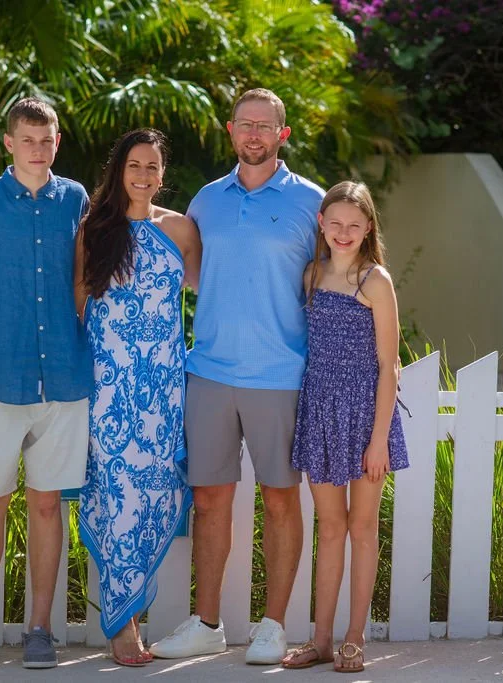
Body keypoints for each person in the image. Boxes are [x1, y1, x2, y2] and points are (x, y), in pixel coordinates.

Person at [149, 88, 324, 665]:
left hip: (281, 374)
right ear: (230, 131)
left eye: (264, 126)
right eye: (244, 124)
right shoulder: (205, 201)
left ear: (283, 134)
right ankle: (206, 624)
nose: (253, 134)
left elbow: (340, 276)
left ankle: (273, 626)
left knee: (280, 499)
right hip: (211, 371)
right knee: (209, 501)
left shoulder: (312, 203)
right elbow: (189, 274)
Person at [0, 96, 92, 669]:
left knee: (48, 506)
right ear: (9, 142)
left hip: (63, 375)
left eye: (47, 139)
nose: (37, 149)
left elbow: (84, 277)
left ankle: (38, 629)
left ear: (58, 142)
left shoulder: (76, 199)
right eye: (27, 139)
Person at [75, 128, 201, 667]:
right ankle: (122, 622)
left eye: (152, 167)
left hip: (164, 388)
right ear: (118, 170)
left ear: (162, 174)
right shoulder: (94, 228)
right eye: (134, 165)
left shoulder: (182, 230)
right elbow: (78, 307)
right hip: (109, 386)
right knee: (113, 495)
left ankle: (130, 612)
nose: (144, 176)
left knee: (151, 493)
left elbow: (204, 295)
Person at [280, 181, 409, 674]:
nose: (343, 232)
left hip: (365, 417)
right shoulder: (312, 276)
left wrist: (378, 440)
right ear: (321, 223)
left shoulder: (374, 280)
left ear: (368, 227)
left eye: (354, 225)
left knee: (361, 527)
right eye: (334, 223)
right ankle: (321, 639)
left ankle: (356, 636)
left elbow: (388, 364)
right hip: (321, 411)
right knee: (329, 528)